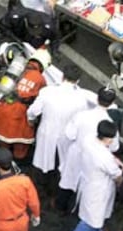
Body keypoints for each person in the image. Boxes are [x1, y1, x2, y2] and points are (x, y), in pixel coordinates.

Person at [26, 65, 94, 205]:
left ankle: (38, 192)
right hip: (66, 138)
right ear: (78, 81)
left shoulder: (47, 92)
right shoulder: (82, 99)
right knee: (60, 166)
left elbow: (33, 111)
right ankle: (53, 194)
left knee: (42, 164)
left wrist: (31, 121)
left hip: (47, 135)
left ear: (62, 76)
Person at [56, 87, 120, 215]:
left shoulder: (82, 115)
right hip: (94, 159)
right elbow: (114, 147)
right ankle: (78, 212)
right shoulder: (110, 123)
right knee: (86, 187)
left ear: (97, 98)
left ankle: (61, 208)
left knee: (68, 181)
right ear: (112, 103)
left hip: (77, 153)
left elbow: (69, 134)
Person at [68, 121, 123, 231]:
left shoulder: (89, 139)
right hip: (99, 189)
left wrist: (116, 161)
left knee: (95, 213)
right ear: (109, 139)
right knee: (92, 217)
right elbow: (117, 175)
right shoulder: (104, 158)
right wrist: (122, 183)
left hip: (88, 180)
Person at [0, 49, 50, 161]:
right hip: (17, 114)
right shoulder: (39, 78)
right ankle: (18, 162)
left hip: (1, 107)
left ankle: (4, 159)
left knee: (4, 142)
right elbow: (41, 99)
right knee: (21, 145)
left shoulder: (15, 69)